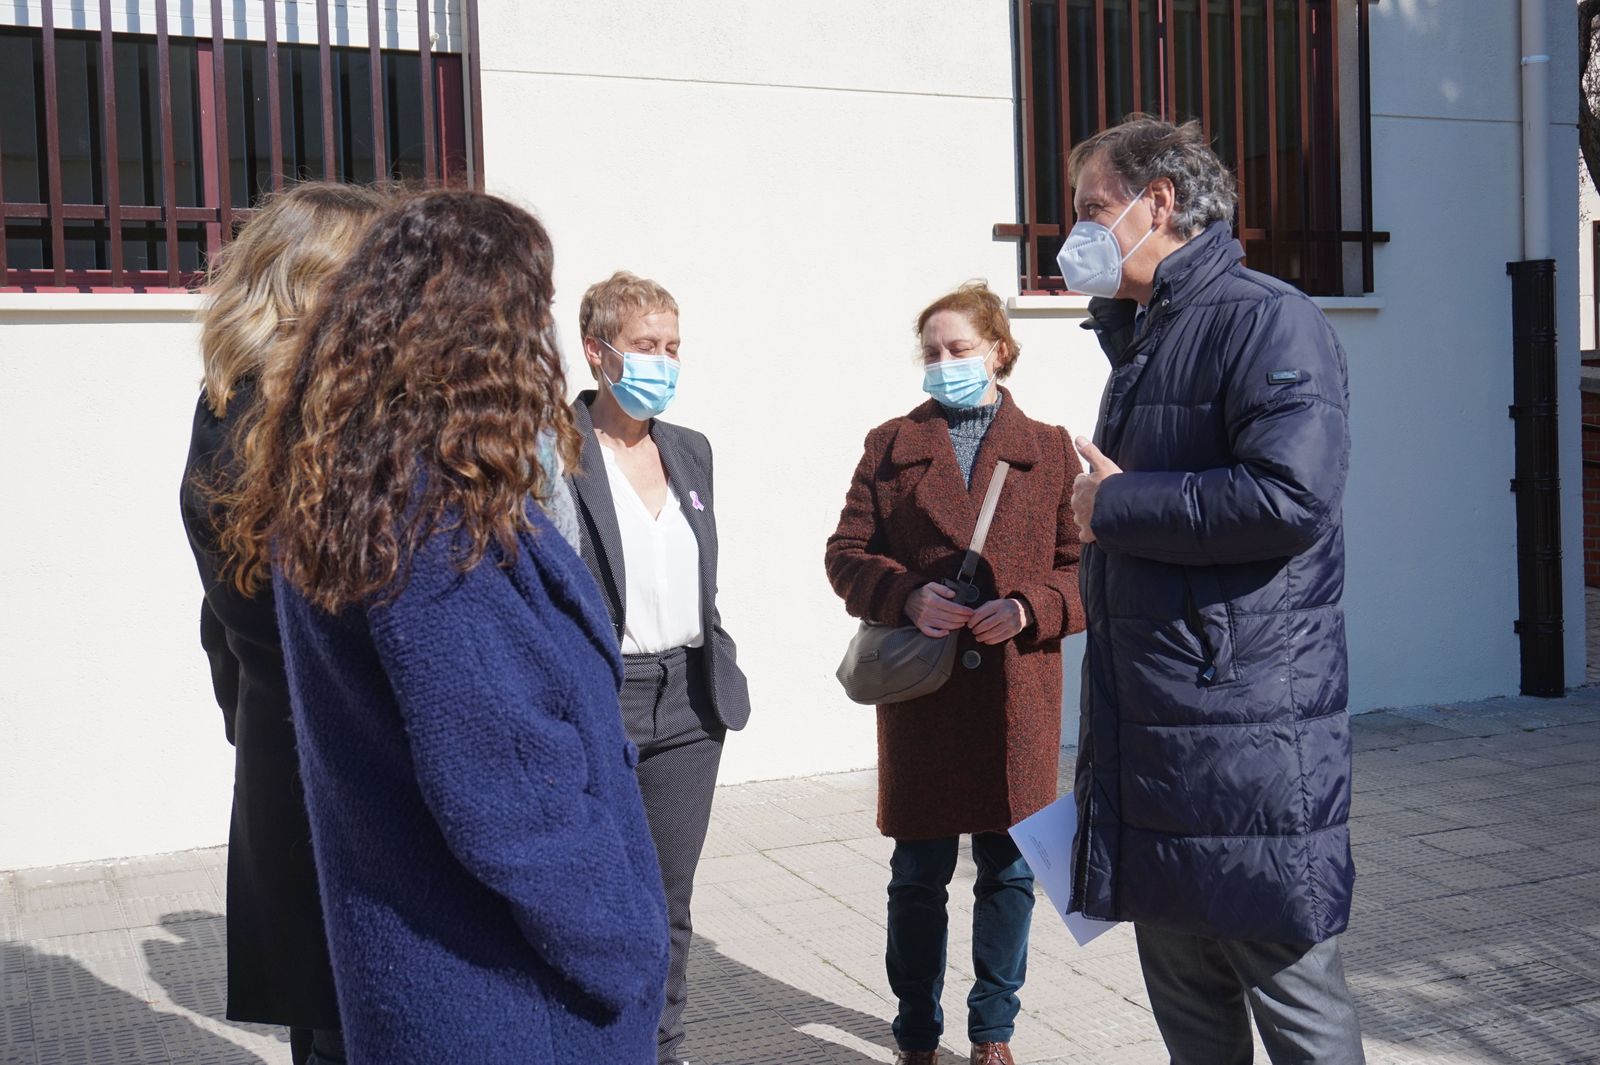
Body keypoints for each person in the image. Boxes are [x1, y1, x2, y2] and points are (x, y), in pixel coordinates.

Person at [215, 190, 669, 1064]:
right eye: (531, 310)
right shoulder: (431, 523)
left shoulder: (356, 482)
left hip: (433, 975)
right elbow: (507, 793)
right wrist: (627, 943)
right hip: (506, 993)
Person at [1060, 115, 1365, 1064]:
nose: (1076, 235)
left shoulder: (1269, 317)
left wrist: (1114, 506)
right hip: (1157, 729)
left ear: (1160, 203)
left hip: (1242, 740)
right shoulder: (1150, 334)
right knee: (1188, 1004)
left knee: (1294, 1000)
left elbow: (1290, 496)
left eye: (1092, 210)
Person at [825, 282, 1086, 1065]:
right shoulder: (890, 445)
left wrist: (1033, 607)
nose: (943, 365)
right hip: (926, 700)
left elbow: (1085, 570)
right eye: (932, 352)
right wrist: (906, 596)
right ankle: (915, 1032)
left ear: (998, 350)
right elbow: (843, 554)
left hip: (1017, 697)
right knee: (917, 876)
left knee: (1008, 873)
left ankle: (992, 1032)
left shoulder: (1050, 447)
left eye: (959, 349)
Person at [180, 180, 385, 1065]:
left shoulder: (227, 408)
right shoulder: (298, 427)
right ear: (311, 286)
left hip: (287, 755)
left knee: (331, 1025)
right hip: (340, 774)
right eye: (370, 277)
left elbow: (220, 626)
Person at [566, 270, 752, 1065]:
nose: (664, 362)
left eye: (673, 347)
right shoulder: (556, 451)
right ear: (597, 351)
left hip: (688, 703)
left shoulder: (690, 450)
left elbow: (700, 573)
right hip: (600, 698)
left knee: (669, 903)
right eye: (646, 346)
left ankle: (661, 1050)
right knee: (595, 899)